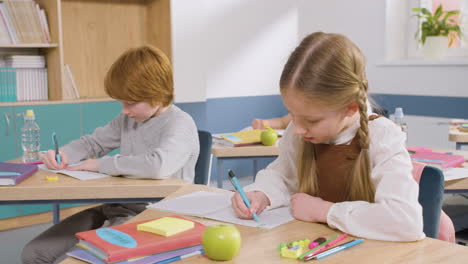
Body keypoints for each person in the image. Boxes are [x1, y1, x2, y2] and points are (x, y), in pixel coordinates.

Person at [231, 32, 425, 241]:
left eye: (311, 120)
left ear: (350, 108)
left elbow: (405, 221)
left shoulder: (383, 136)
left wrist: (325, 211)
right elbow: (284, 176)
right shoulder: (300, 131)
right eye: (292, 115)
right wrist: (261, 194)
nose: (297, 129)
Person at [22, 45, 199, 264]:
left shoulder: (180, 123)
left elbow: (157, 166)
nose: (124, 110)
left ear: (157, 94)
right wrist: (64, 154)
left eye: (131, 103)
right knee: (33, 254)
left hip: (156, 217)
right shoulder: (128, 119)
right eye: (122, 102)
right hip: (116, 208)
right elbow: (93, 142)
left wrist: (99, 165)